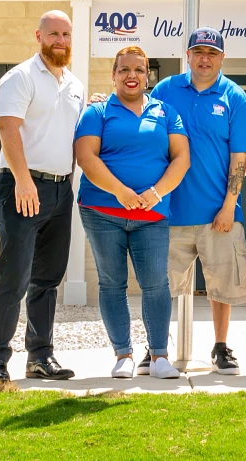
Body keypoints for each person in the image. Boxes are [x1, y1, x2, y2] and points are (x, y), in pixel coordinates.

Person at [74, 45, 190, 379]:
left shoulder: (166, 113)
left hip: (152, 213)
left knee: (156, 283)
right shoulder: (96, 113)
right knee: (112, 283)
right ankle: (123, 354)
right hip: (102, 210)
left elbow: (181, 158)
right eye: (124, 69)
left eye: (139, 70)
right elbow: (87, 157)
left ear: (148, 76)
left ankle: (159, 357)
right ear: (113, 75)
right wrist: (120, 192)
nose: (132, 76)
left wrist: (155, 193)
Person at [0, 8, 87, 383]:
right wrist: (24, 181)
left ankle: (40, 357)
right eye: (54, 34)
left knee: (48, 279)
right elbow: (7, 128)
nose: (60, 41)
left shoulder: (73, 84)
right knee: (14, 277)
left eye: (66, 34)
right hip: (23, 187)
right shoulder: (21, 77)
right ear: (39, 36)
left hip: (61, 190)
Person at [152, 27, 246, 375]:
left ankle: (221, 346)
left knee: (222, 286)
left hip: (219, 213)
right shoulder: (165, 90)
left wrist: (230, 205)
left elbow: (240, 156)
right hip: (169, 211)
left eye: (212, 53)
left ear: (222, 58)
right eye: (198, 51)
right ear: (187, 56)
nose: (205, 58)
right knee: (161, 286)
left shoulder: (233, 97)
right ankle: (157, 349)